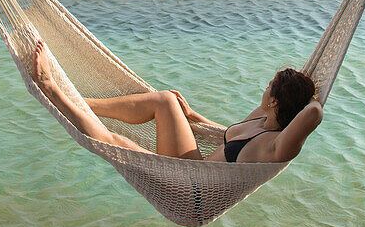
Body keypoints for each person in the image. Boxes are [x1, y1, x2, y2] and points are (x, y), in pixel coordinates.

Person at [31, 38, 322, 164]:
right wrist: (195, 117)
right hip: (193, 168)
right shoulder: (263, 119)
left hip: (190, 190)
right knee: (168, 100)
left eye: (269, 87)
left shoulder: (276, 146)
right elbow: (224, 136)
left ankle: (51, 89)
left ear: (275, 102)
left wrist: (311, 103)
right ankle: (79, 101)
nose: (265, 88)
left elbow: (313, 114)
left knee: (118, 143)